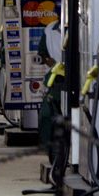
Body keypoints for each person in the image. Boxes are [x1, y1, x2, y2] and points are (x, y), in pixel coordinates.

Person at [37, 19, 64, 160]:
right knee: (47, 114)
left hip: (74, 77)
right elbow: (41, 54)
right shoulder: (50, 29)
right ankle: (50, 147)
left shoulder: (82, 25)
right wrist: (50, 62)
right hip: (54, 76)